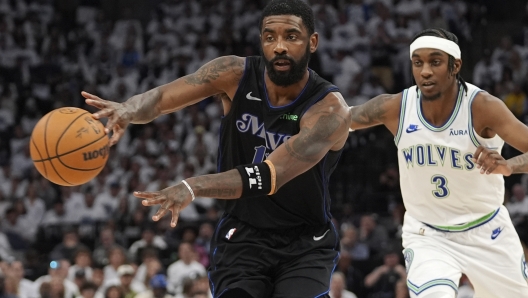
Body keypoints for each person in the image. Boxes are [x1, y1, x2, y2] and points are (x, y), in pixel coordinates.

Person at [83, 0, 350, 297]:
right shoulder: (233, 73)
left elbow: (268, 176)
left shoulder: (329, 110)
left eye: (291, 36)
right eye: (269, 36)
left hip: (305, 241)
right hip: (243, 235)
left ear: (312, 42)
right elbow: (160, 99)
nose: (279, 47)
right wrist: (129, 109)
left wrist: (193, 186)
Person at [349, 28, 528, 297]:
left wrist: (509, 166)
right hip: (428, 233)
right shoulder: (397, 107)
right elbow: (339, 120)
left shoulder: (482, 107)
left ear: (455, 66)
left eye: (435, 62)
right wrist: (291, 118)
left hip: (487, 230)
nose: (425, 71)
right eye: (418, 62)